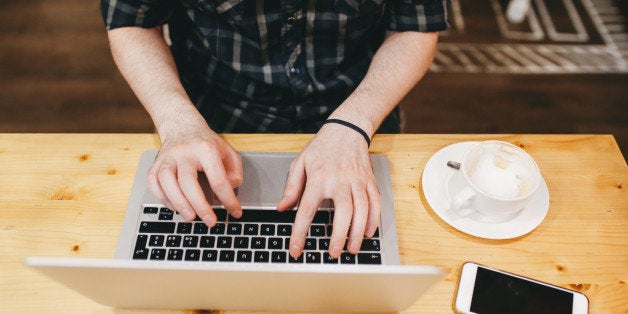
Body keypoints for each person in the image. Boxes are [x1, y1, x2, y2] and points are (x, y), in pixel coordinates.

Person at [101, 0, 449, 260]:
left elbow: (414, 27)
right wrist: (178, 123)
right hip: (211, 123)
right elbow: (132, 22)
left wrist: (352, 125)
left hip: (360, 115)